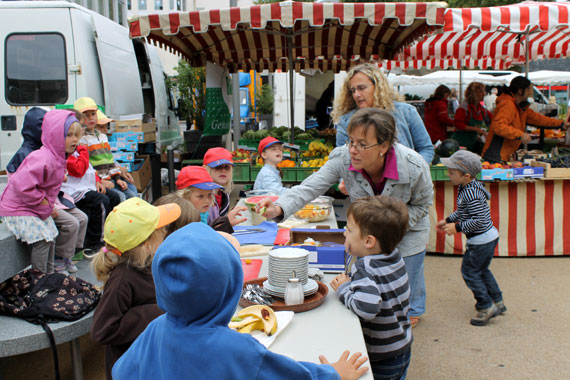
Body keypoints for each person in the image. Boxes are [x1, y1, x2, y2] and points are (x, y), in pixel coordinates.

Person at [112, 222, 369, 380]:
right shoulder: (236, 349)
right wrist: (333, 373)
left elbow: (121, 372)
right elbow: (291, 376)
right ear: (230, 285)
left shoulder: (156, 328)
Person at [258, 108, 433, 328]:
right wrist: (279, 207)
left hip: (407, 235)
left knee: (395, 300)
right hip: (367, 238)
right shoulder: (343, 157)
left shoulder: (413, 165)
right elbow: (313, 186)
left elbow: (422, 203)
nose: (353, 150)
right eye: (351, 142)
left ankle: (397, 336)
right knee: (368, 288)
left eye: (362, 144)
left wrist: (390, 228)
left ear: (384, 146)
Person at [90, 198, 182, 380]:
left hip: (151, 355)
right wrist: (157, 311)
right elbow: (102, 330)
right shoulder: (122, 280)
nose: (165, 232)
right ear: (146, 244)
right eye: (160, 230)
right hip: (132, 366)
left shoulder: (147, 263)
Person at [331, 195, 412, 380]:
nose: (344, 233)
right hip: (402, 345)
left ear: (368, 241)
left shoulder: (365, 268)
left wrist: (344, 289)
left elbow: (367, 308)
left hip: (381, 355)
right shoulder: (395, 257)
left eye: (349, 230)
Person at [5, 107, 88, 274]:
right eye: (68, 135)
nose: (74, 140)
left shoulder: (57, 156)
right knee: (44, 237)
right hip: (17, 208)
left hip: (31, 205)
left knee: (51, 232)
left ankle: (50, 276)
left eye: (76, 135)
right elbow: (22, 186)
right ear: (54, 135)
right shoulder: (42, 157)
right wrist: (45, 204)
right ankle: (39, 279)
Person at [436, 150, 506, 326]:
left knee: (470, 272)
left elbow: (479, 220)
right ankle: (498, 301)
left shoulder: (471, 193)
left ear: (466, 175)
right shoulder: (467, 187)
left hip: (481, 241)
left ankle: (485, 306)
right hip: (487, 238)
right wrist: (448, 220)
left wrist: (457, 227)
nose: (448, 175)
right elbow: (463, 211)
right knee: (482, 269)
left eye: (452, 172)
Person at [332, 63, 434, 164]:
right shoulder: (346, 121)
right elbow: (343, 160)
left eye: (362, 88)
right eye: (353, 90)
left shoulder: (406, 112)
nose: (356, 94)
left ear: (378, 86)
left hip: (406, 178)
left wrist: (415, 170)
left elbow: (426, 148)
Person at [481, 76, 570, 162]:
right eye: (528, 90)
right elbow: (498, 126)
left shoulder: (520, 108)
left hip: (504, 155)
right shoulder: (508, 104)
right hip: (496, 155)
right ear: (520, 91)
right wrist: (520, 134)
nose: (530, 93)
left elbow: (538, 119)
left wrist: (561, 123)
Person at [74, 97, 137, 201]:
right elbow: (87, 167)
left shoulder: (102, 137)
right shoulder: (82, 139)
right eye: (86, 115)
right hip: (98, 181)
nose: (91, 118)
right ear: (79, 118)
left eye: (93, 114)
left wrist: (117, 178)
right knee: (120, 197)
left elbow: (110, 162)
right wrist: (99, 181)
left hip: (110, 178)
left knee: (132, 194)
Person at [176, 165, 233, 233]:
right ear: (185, 197)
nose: (207, 200)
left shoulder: (207, 212)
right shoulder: (183, 220)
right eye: (200, 196)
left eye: (209, 195)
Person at [203, 147, 247, 227]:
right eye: (218, 166)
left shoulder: (224, 195)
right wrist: (227, 222)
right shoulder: (202, 198)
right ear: (206, 169)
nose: (223, 170)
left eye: (227, 167)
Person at [452, 82, 492, 153]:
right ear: (473, 94)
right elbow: (458, 125)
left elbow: (492, 120)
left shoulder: (481, 109)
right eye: (480, 92)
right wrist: (476, 129)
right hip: (460, 142)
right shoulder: (463, 107)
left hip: (472, 143)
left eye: (483, 91)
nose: (484, 94)